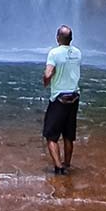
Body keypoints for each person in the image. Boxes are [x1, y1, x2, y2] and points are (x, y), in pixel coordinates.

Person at [42, 24, 81, 174]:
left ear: (58, 38)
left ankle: (58, 167)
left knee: (51, 135)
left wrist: (46, 82)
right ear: (71, 39)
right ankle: (67, 164)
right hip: (74, 96)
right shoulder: (78, 53)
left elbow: (48, 74)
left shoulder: (54, 53)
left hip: (59, 98)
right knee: (68, 135)